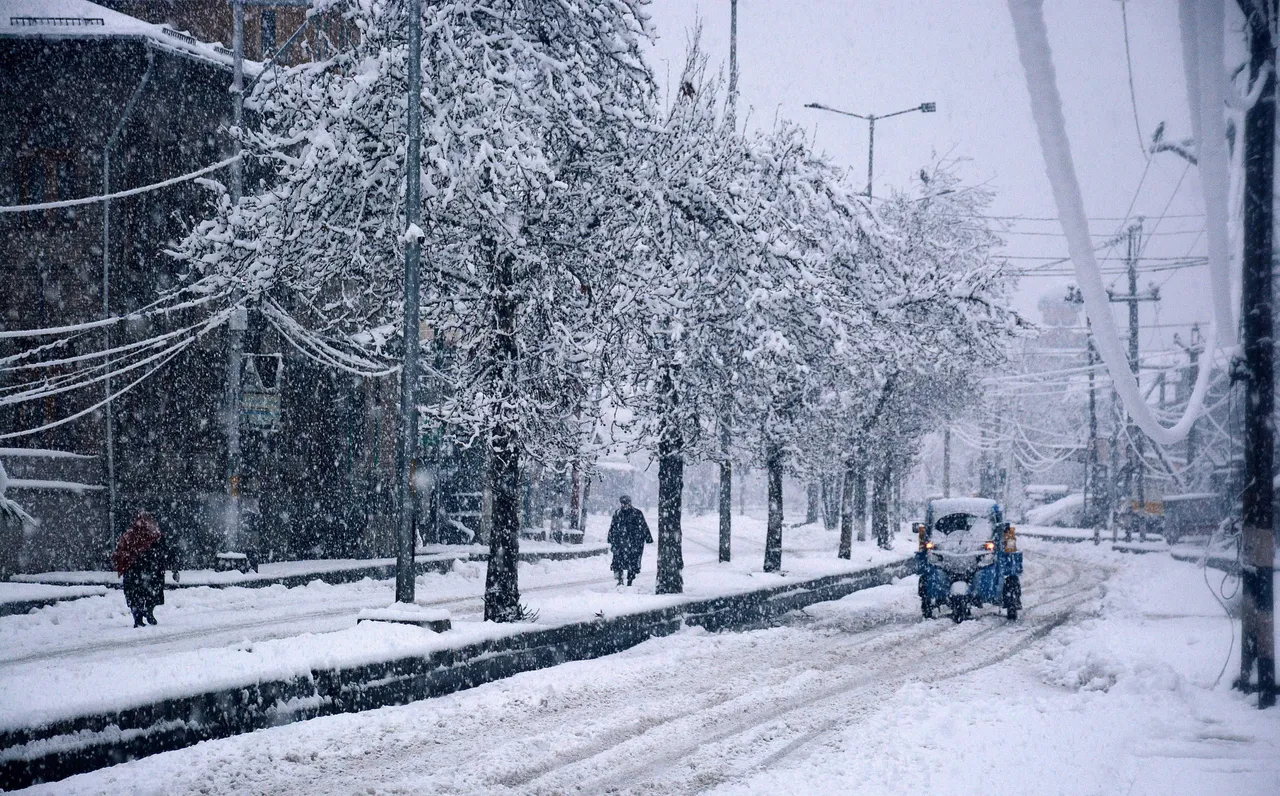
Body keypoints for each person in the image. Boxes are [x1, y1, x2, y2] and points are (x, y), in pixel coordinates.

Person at [112, 511, 178, 627]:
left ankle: (138, 618)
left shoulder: (129, 536)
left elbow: (119, 553)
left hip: (134, 572)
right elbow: (166, 552)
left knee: (134, 597)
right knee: (151, 594)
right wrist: (173, 566)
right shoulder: (154, 535)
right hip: (152, 571)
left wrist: (125, 563)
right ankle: (148, 611)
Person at [607, 495, 652, 586]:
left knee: (632, 561)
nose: (624, 505)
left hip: (634, 542)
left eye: (626, 503)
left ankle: (630, 581)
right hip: (620, 543)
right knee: (618, 561)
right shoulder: (617, 513)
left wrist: (648, 537)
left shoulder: (637, 513)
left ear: (630, 503)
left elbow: (643, 526)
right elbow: (613, 526)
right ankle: (620, 580)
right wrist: (611, 538)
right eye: (623, 503)